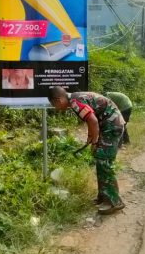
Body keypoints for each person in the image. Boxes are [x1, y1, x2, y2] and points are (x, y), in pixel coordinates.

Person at [48, 87, 125, 215]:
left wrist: (94, 143)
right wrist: (91, 137)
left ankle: (114, 201)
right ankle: (104, 197)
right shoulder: (75, 98)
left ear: (58, 100)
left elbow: (93, 121)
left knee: (104, 162)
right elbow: (92, 120)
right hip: (107, 125)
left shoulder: (74, 102)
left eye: (54, 104)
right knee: (100, 160)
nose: (56, 108)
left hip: (112, 126)